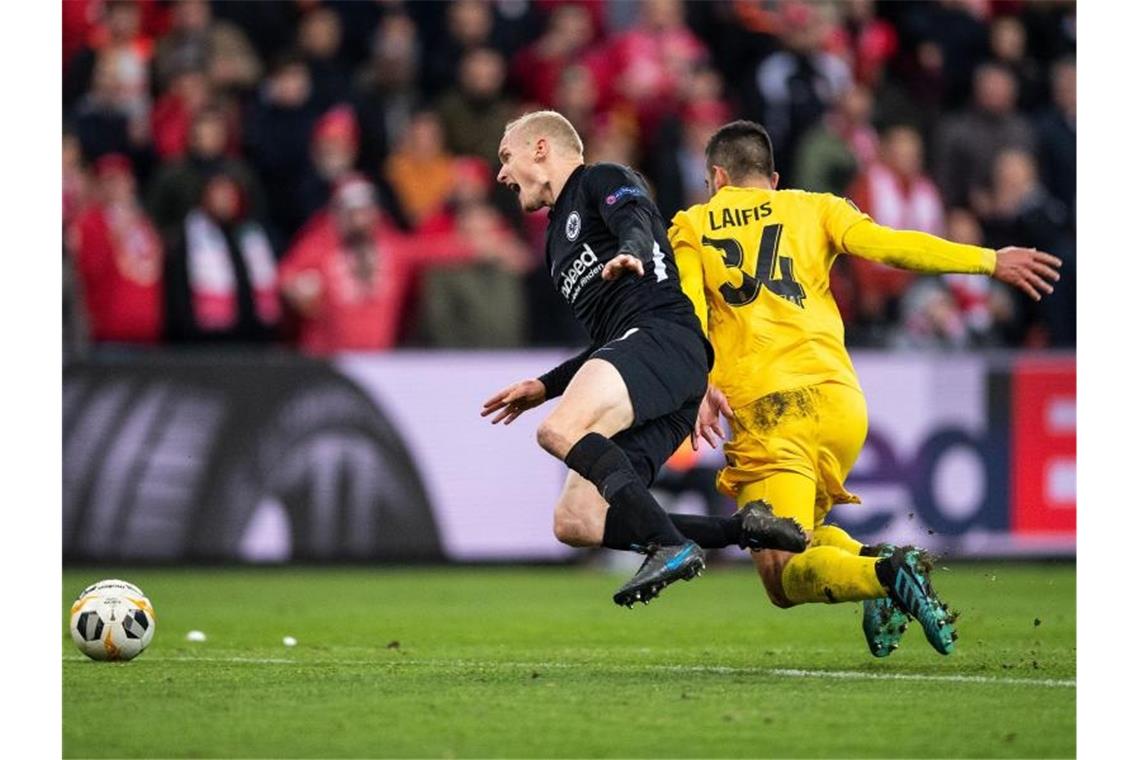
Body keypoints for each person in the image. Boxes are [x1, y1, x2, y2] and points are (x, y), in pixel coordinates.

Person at [669, 120, 1061, 655]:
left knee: (780, 577)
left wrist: (701, 381)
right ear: (774, 178)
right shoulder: (816, 206)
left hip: (769, 406)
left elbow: (690, 310)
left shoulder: (692, 225)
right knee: (801, 534)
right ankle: (879, 565)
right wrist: (988, 259)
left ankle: (885, 574)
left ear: (716, 176)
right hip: (840, 400)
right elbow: (892, 247)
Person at [482, 111, 806, 608]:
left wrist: (632, 249)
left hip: (663, 338)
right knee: (576, 520)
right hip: (656, 360)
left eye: (507, 157)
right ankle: (744, 528)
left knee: (558, 431)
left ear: (541, 149)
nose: (501, 173)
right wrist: (545, 386)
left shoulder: (601, 179)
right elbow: (608, 345)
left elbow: (633, 218)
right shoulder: (555, 244)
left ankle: (669, 546)